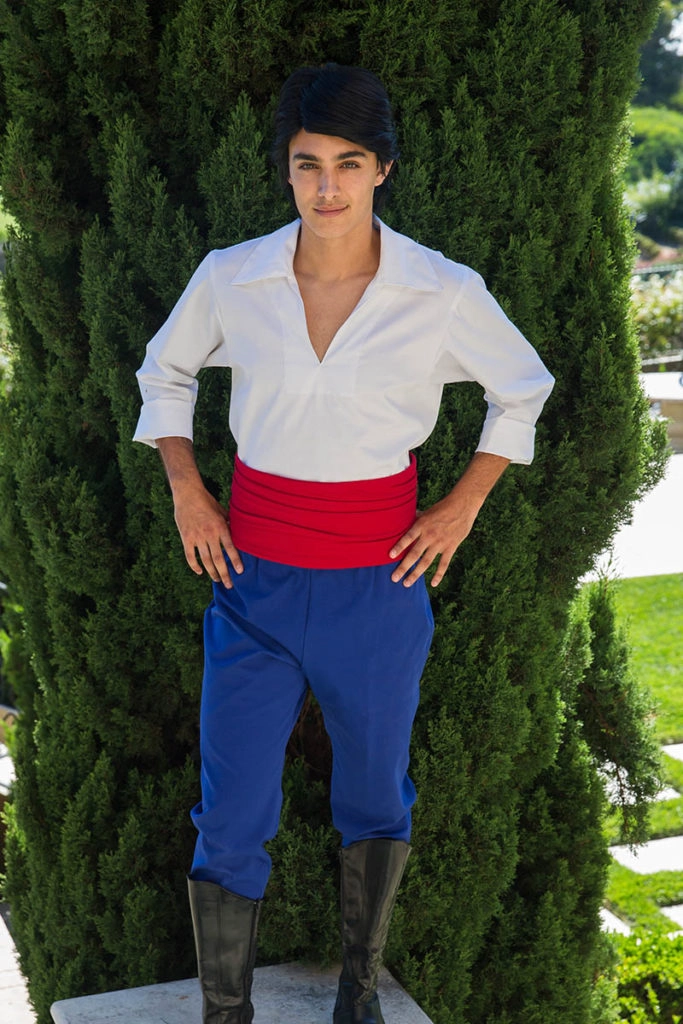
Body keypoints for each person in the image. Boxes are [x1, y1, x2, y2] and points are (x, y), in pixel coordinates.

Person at [133, 62, 554, 1024]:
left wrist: (460, 507)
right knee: (230, 808)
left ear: (382, 169)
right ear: (286, 169)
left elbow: (522, 389)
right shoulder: (231, 276)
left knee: (373, 795)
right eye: (307, 164)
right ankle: (225, 1014)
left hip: (377, 587)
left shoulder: (440, 290)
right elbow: (164, 372)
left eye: (348, 164)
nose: (326, 187)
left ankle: (358, 999)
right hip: (253, 584)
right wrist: (188, 488)